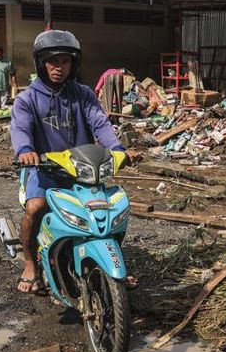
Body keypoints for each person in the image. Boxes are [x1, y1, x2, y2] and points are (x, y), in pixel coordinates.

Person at [10, 30, 137, 294]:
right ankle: (31, 263)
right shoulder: (27, 99)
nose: (59, 67)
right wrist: (25, 150)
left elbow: (99, 122)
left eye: (66, 61)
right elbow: (20, 128)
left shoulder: (83, 94)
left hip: (85, 169)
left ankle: (113, 262)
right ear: (41, 63)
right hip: (45, 170)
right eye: (53, 61)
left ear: (73, 63)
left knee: (113, 210)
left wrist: (117, 149)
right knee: (35, 208)